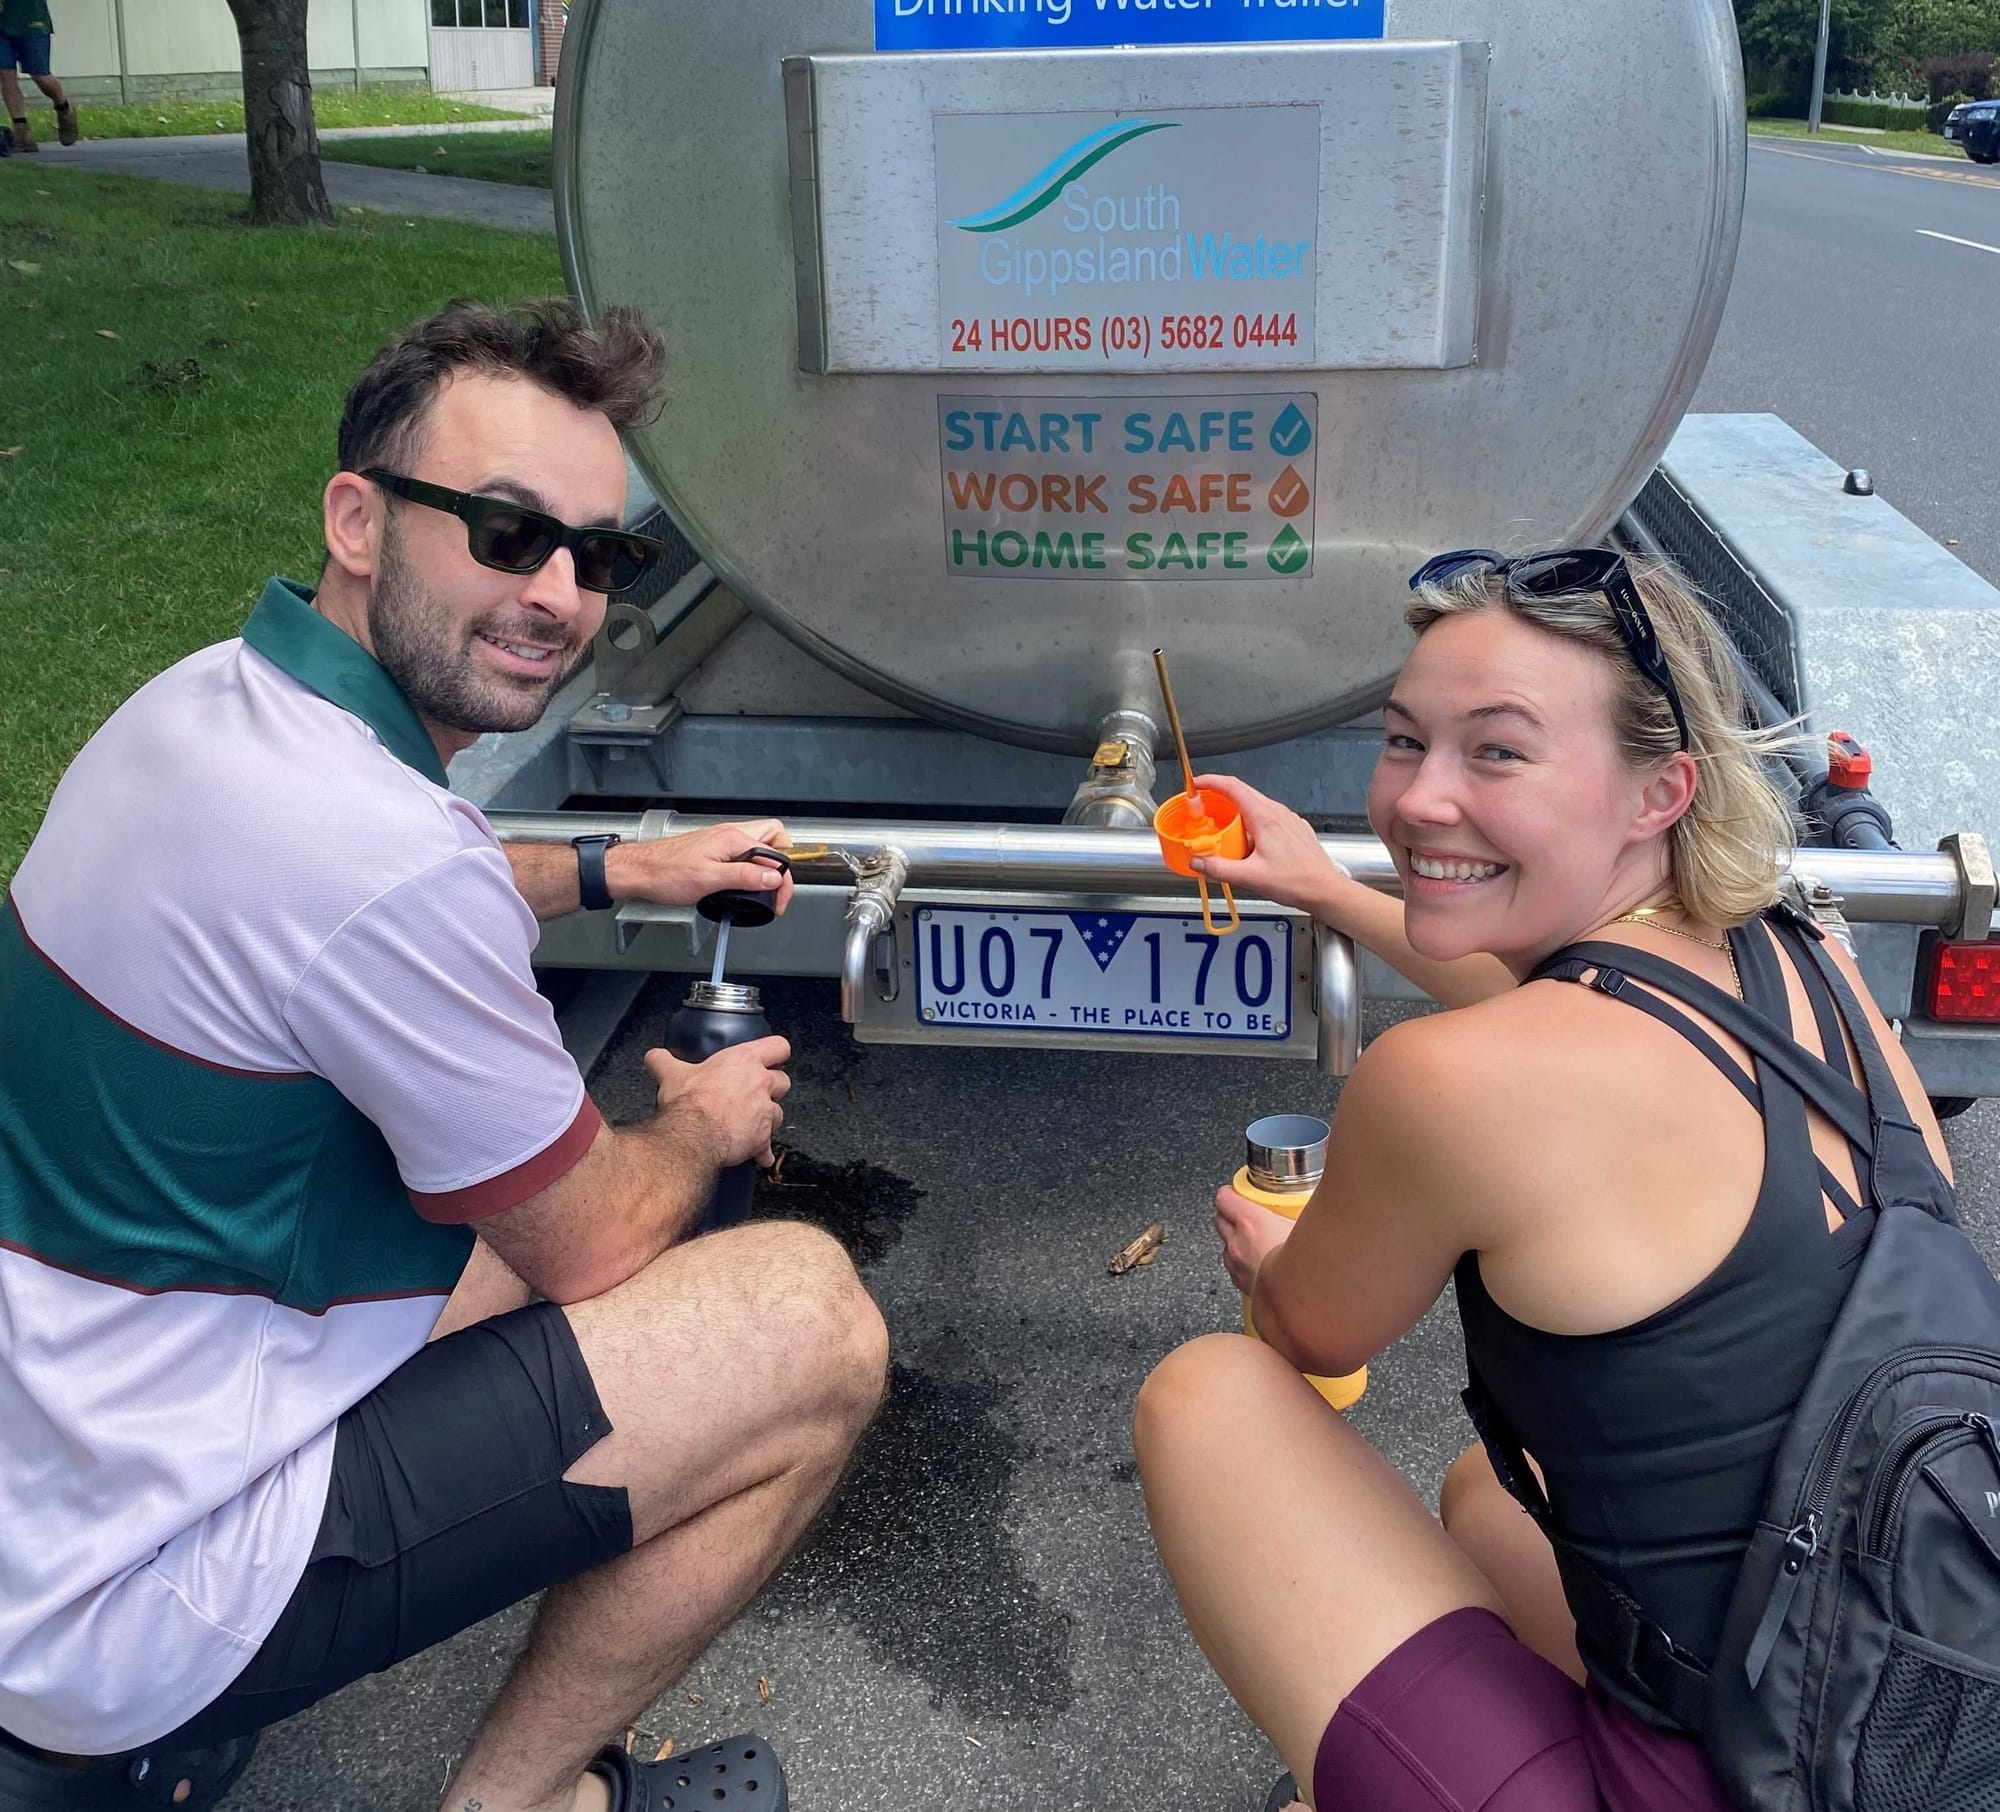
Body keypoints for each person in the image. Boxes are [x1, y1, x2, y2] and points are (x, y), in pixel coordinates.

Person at [0, 298, 887, 1812]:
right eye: (502, 530)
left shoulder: (202, 707)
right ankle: (522, 1800)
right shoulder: (382, 861)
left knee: (488, 1253)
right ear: (360, 518)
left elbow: (425, 878)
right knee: (810, 1325)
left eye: (598, 556)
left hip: (77, 1420)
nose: (556, 591)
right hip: (131, 1596)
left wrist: (620, 873)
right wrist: (703, 1123)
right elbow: (598, 1236)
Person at [1133, 549, 1957, 1812]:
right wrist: (1319, 885)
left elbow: (1310, 1324)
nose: (1417, 800)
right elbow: (1570, 1017)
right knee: (1481, 1497)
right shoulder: (1803, 966)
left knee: (1209, 1395)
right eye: (1404, 742)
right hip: (1895, 1693)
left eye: (1496, 753)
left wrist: (1269, 1256)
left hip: (1736, 1773)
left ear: (1656, 793)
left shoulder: (1451, 1087)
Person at [0, 0, 76, 153]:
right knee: (5, 73)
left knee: (40, 76)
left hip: (32, 20)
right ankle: (22, 133)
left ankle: (63, 107)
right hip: (2, 23)